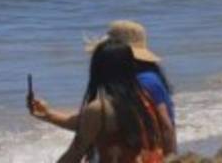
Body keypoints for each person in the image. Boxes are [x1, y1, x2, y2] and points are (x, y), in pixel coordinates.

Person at [30, 39, 173, 162]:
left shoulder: (100, 109)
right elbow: (85, 124)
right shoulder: (144, 97)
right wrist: (48, 114)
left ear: (98, 70)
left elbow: (74, 154)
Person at [30, 22, 178, 139]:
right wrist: (48, 114)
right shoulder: (144, 78)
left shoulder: (142, 83)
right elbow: (92, 122)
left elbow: (166, 128)